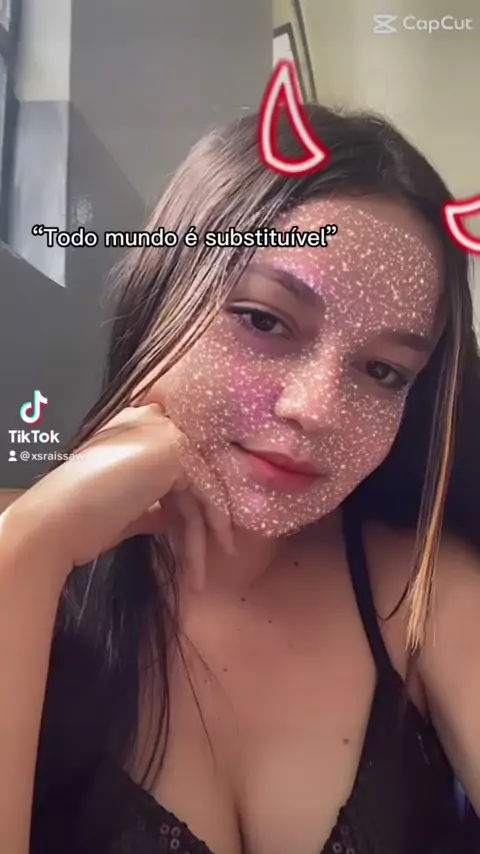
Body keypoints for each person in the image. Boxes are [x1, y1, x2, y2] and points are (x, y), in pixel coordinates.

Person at [0, 103, 479, 854]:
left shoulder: (423, 597)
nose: (315, 409)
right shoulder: (27, 561)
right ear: (163, 293)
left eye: (384, 371)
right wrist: (26, 553)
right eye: (264, 319)